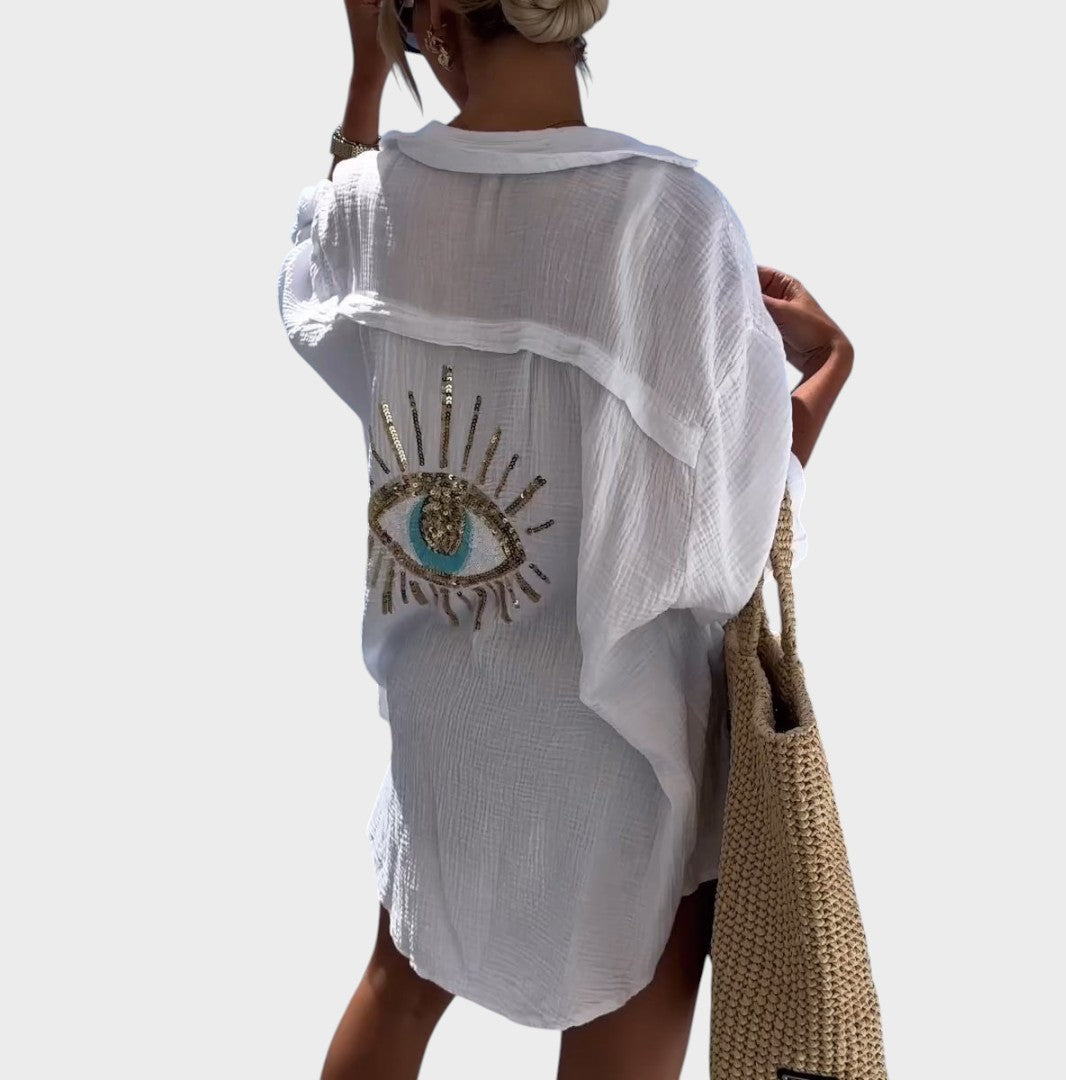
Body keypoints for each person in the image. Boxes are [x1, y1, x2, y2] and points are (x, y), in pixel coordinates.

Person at [276, 0, 854, 1076]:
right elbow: (733, 533)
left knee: (399, 982)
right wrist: (825, 375)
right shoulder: (667, 221)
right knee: (629, 988)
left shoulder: (376, 203)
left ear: (433, 18)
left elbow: (319, 290)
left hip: (445, 714)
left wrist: (365, 79)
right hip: (626, 743)